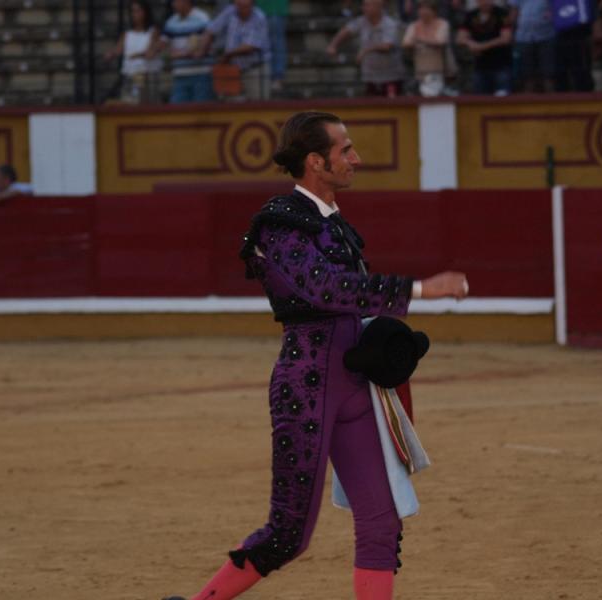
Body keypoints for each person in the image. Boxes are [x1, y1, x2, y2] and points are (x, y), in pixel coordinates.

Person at [161, 111, 468, 600]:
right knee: (289, 535)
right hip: (307, 384)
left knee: (381, 519)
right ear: (315, 162)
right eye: (345, 150)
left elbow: (344, 294)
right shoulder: (279, 225)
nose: (356, 158)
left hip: (351, 381)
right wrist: (420, 289)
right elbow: (325, 288)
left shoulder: (332, 223)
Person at [327, 0, 406, 97]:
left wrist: (365, 50)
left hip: (391, 75)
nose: (364, 8)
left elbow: (387, 46)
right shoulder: (362, 21)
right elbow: (346, 31)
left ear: (378, 7)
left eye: (367, 5)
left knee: (393, 106)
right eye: (364, 5)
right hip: (370, 75)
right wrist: (333, 45)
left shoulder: (389, 23)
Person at [195, 0, 271, 100]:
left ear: (252, 5)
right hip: (232, 68)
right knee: (230, 103)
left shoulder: (259, 17)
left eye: (246, 6)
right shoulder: (230, 12)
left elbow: (250, 46)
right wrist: (201, 50)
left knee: (258, 103)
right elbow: (211, 30)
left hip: (255, 68)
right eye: (239, 6)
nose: (242, 9)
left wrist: (227, 55)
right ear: (235, 4)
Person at [104, 0, 163, 103]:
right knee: (129, 103)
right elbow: (118, 49)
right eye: (133, 11)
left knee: (147, 104)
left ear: (145, 12)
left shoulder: (153, 31)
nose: (135, 14)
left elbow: (151, 52)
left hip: (146, 76)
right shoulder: (127, 34)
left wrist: (138, 55)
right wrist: (110, 54)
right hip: (130, 75)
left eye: (138, 11)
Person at [160, 0, 215, 103]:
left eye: (176, 1)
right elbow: (163, 45)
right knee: (178, 112)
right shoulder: (171, 22)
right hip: (180, 74)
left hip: (201, 73)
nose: (173, 4)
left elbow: (207, 42)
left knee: (201, 111)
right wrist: (170, 53)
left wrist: (182, 53)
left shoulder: (202, 18)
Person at [457, 0, 514, 95]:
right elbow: (459, 38)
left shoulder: (502, 14)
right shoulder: (471, 15)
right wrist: (470, 43)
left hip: (500, 66)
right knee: (480, 101)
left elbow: (506, 38)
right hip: (480, 67)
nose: (485, 2)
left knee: (502, 100)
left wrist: (481, 47)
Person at [402, 0, 457, 95]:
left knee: (432, 96)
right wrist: (427, 42)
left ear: (434, 11)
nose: (423, 12)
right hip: (419, 73)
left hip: (438, 72)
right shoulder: (413, 26)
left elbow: (441, 41)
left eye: (426, 9)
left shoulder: (443, 24)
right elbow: (406, 43)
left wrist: (419, 40)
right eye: (421, 9)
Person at [509, 0, 557, 92]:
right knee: (527, 75)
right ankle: (528, 102)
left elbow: (559, 7)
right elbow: (514, 12)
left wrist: (553, 14)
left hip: (546, 37)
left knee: (548, 74)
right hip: (523, 38)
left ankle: (551, 102)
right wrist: (511, 31)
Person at [551, 0, 596, 91]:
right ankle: (562, 98)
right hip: (560, 34)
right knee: (561, 71)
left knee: (580, 70)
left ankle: (584, 96)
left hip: (579, 33)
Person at [258, 0, 289, 93]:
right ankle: (273, 77)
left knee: (276, 44)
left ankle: (277, 77)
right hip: (260, 9)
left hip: (274, 9)